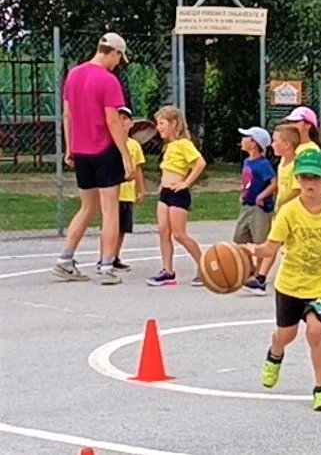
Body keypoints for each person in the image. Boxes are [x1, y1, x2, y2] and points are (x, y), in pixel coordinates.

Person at [246, 150, 321, 412]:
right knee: (286, 335)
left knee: (316, 331)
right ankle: (275, 352)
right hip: (290, 284)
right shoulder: (289, 212)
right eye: (305, 177)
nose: (310, 184)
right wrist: (251, 250)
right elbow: (270, 248)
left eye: (316, 178)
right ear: (297, 178)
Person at [52, 32, 133, 285]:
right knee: (110, 211)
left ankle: (66, 259)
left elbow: (67, 115)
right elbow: (112, 120)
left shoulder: (74, 74)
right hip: (104, 151)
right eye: (119, 58)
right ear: (114, 53)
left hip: (82, 151)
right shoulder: (108, 81)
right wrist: (125, 154)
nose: (118, 64)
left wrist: (70, 147)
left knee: (87, 207)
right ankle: (107, 266)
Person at [146, 106, 207, 287]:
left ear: (173, 123)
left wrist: (186, 183)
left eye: (162, 123)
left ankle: (204, 267)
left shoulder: (184, 144)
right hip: (165, 193)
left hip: (178, 194)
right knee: (163, 232)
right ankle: (168, 271)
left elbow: (200, 163)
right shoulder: (169, 146)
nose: (159, 127)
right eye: (158, 124)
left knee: (179, 234)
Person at [244, 125, 301, 295]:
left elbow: (297, 190)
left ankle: (297, 278)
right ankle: (260, 279)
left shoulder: (296, 164)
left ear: (287, 144)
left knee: (292, 247)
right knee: (273, 243)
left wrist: (284, 204)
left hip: (294, 213)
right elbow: (280, 186)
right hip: (282, 212)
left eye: (276, 141)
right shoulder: (283, 162)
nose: (272, 145)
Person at [98, 107, 146, 273]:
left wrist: (141, 189)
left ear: (131, 124)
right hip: (112, 192)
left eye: (125, 119)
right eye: (118, 119)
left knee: (123, 227)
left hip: (127, 193)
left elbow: (138, 168)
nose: (122, 122)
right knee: (109, 224)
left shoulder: (134, 146)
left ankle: (115, 256)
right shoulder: (109, 144)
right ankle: (104, 257)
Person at [233, 126, 277, 257]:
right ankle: (248, 270)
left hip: (259, 209)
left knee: (260, 242)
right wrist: (243, 192)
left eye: (245, 137)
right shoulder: (247, 161)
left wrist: (261, 196)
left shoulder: (263, 164)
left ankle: (258, 274)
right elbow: (248, 181)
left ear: (253, 143)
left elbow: (274, 183)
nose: (242, 140)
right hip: (247, 206)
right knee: (239, 239)